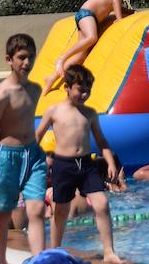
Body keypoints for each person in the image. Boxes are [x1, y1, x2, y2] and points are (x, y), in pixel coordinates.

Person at [35, 65, 125, 264]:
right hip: (63, 164)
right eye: (80, 89)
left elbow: (101, 141)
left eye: (88, 90)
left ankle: (109, 252)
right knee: (60, 210)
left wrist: (110, 162)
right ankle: (54, 249)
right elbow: (37, 136)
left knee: (102, 203)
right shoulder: (54, 111)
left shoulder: (90, 113)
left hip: (86, 164)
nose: (84, 94)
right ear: (67, 87)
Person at [0, 33, 47, 264]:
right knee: (1, 214)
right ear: (9, 59)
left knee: (37, 209)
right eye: (21, 57)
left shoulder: (35, 89)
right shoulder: (3, 93)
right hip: (5, 156)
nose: (27, 62)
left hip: (33, 155)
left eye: (31, 57)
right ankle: (0, 259)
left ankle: (40, 258)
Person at [44, 0, 137, 96]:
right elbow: (116, 1)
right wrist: (120, 19)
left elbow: (118, 6)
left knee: (80, 56)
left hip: (88, 17)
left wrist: (131, 12)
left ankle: (52, 79)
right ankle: (62, 58)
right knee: (92, 37)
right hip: (87, 14)